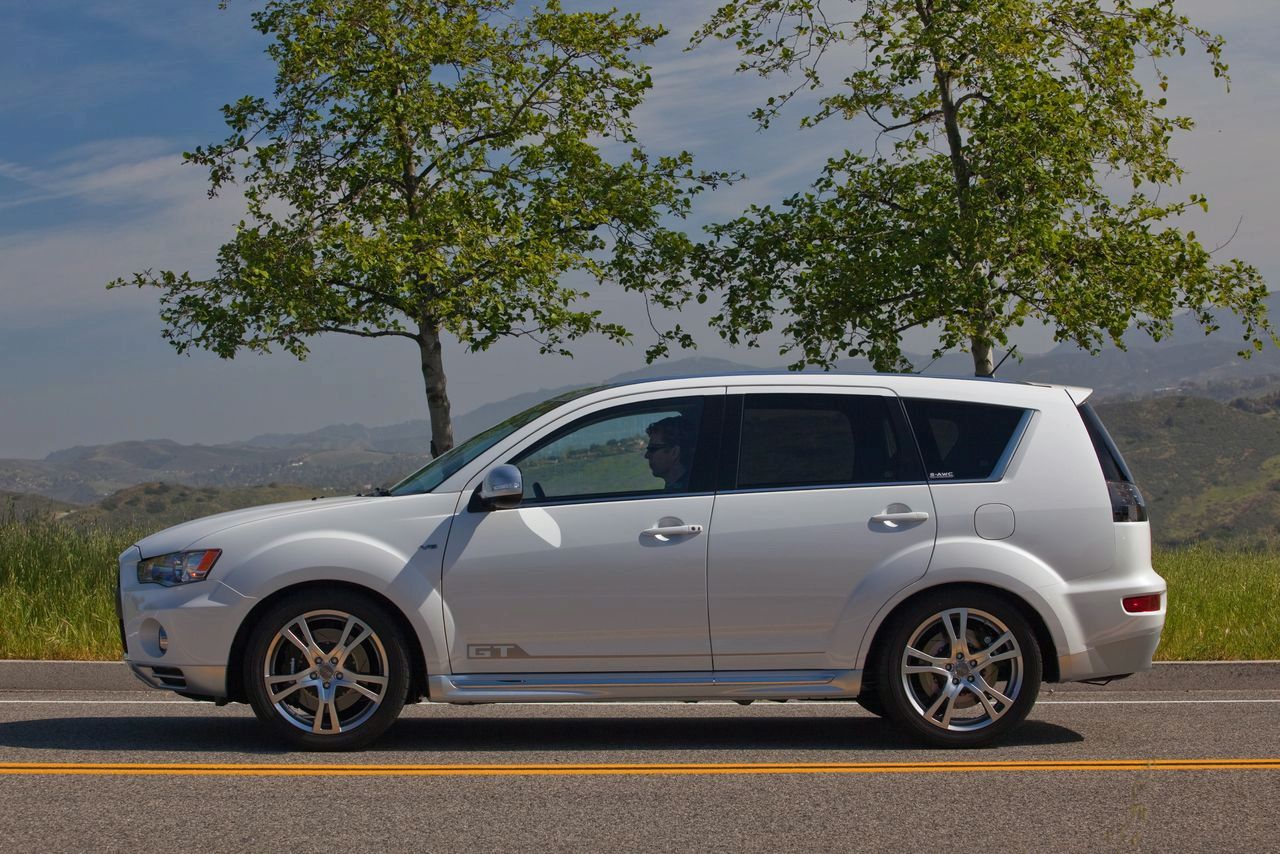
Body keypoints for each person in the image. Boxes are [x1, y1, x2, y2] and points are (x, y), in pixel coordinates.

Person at [644, 415, 694, 491]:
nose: (646, 455)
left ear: (674, 452)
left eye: (652, 449)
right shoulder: (687, 488)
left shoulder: (680, 493)